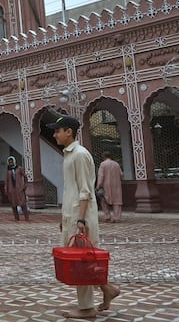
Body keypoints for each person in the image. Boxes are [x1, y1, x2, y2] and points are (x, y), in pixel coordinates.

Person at [48, 115, 120, 318]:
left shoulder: (79, 154)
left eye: (57, 131)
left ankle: (87, 307)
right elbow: (72, 190)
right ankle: (107, 288)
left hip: (81, 216)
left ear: (68, 132)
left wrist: (80, 220)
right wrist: (66, 218)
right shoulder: (70, 154)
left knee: (82, 261)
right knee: (82, 260)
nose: (55, 135)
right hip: (73, 214)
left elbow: (85, 191)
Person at [96, 151, 123, 223]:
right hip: (116, 185)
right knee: (117, 201)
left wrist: (98, 185)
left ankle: (107, 216)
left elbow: (101, 176)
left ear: (104, 157)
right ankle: (116, 217)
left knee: (104, 201)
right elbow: (121, 174)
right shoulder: (116, 164)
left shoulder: (103, 164)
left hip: (106, 185)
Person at [5, 156, 29, 221]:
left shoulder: (19, 168)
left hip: (19, 189)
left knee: (22, 203)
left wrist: (25, 186)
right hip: (11, 190)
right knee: (13, 204)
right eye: (9, 162)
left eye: (12, 161)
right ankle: (16, 218)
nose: (11, 163)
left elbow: (25, 177)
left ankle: (27, 218)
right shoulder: (8, 171)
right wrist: (6, 189)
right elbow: (6, 181)